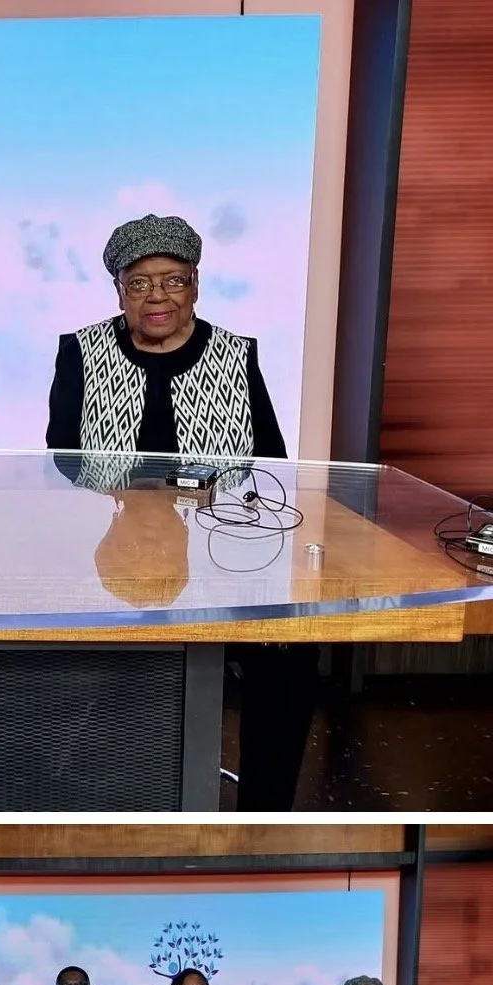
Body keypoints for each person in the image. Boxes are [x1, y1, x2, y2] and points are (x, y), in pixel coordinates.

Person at [45, 212, 318, 812]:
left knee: (290, 654)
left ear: (195, 284)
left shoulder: (235, 354)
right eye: (138, 283)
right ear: (119, 292)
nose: (156, 296)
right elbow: (63, 457)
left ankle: (263, 821)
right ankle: (88, 798)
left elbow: (267, 462)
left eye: (171, 280)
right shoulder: (80, 350)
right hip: (114, 552)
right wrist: (148, 492)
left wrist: (186, 494)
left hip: (219, 553)